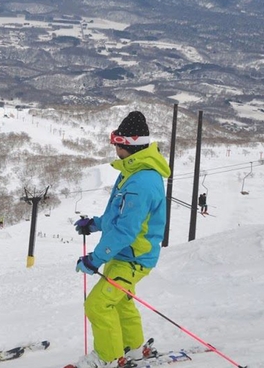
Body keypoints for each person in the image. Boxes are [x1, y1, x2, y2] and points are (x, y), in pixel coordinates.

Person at [73, 111, 170, 368]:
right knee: (121, 302)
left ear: (127, 145)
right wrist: (95, 224)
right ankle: (134, 349)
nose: (114, 147)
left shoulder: (142, 182)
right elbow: (118, 217)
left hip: (133, 257)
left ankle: (107, 358)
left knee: (97, 305)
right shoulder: (132, 171)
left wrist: (95, 259)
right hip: (123, 253)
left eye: (117, 143)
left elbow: (126, 231)